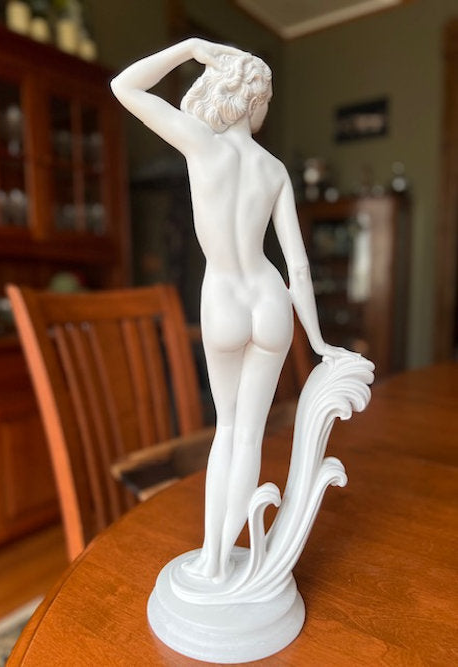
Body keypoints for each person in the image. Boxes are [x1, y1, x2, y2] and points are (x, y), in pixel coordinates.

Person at [111, 38, 348, 582]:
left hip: (224, 299)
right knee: (249, 437)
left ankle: (214, 559)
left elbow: (125, 86)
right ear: (254, 99)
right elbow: (298, 267)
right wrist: (317, 341)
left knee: (227, 430)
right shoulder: (274, 170)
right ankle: (225, 557)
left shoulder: (201, 145)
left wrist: (190, 49)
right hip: (270, 300)